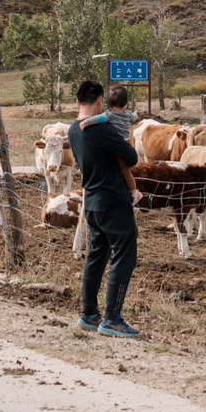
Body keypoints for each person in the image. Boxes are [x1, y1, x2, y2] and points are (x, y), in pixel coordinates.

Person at [72, 79, 140, 338]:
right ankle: (112, 318)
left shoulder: (73, 130)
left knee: (96, 256)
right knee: (124, 254)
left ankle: (88, 313)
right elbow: (132, 158)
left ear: (78, 102)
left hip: (91, 201)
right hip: (112, 200)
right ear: (100, 101)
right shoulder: (103, 130)